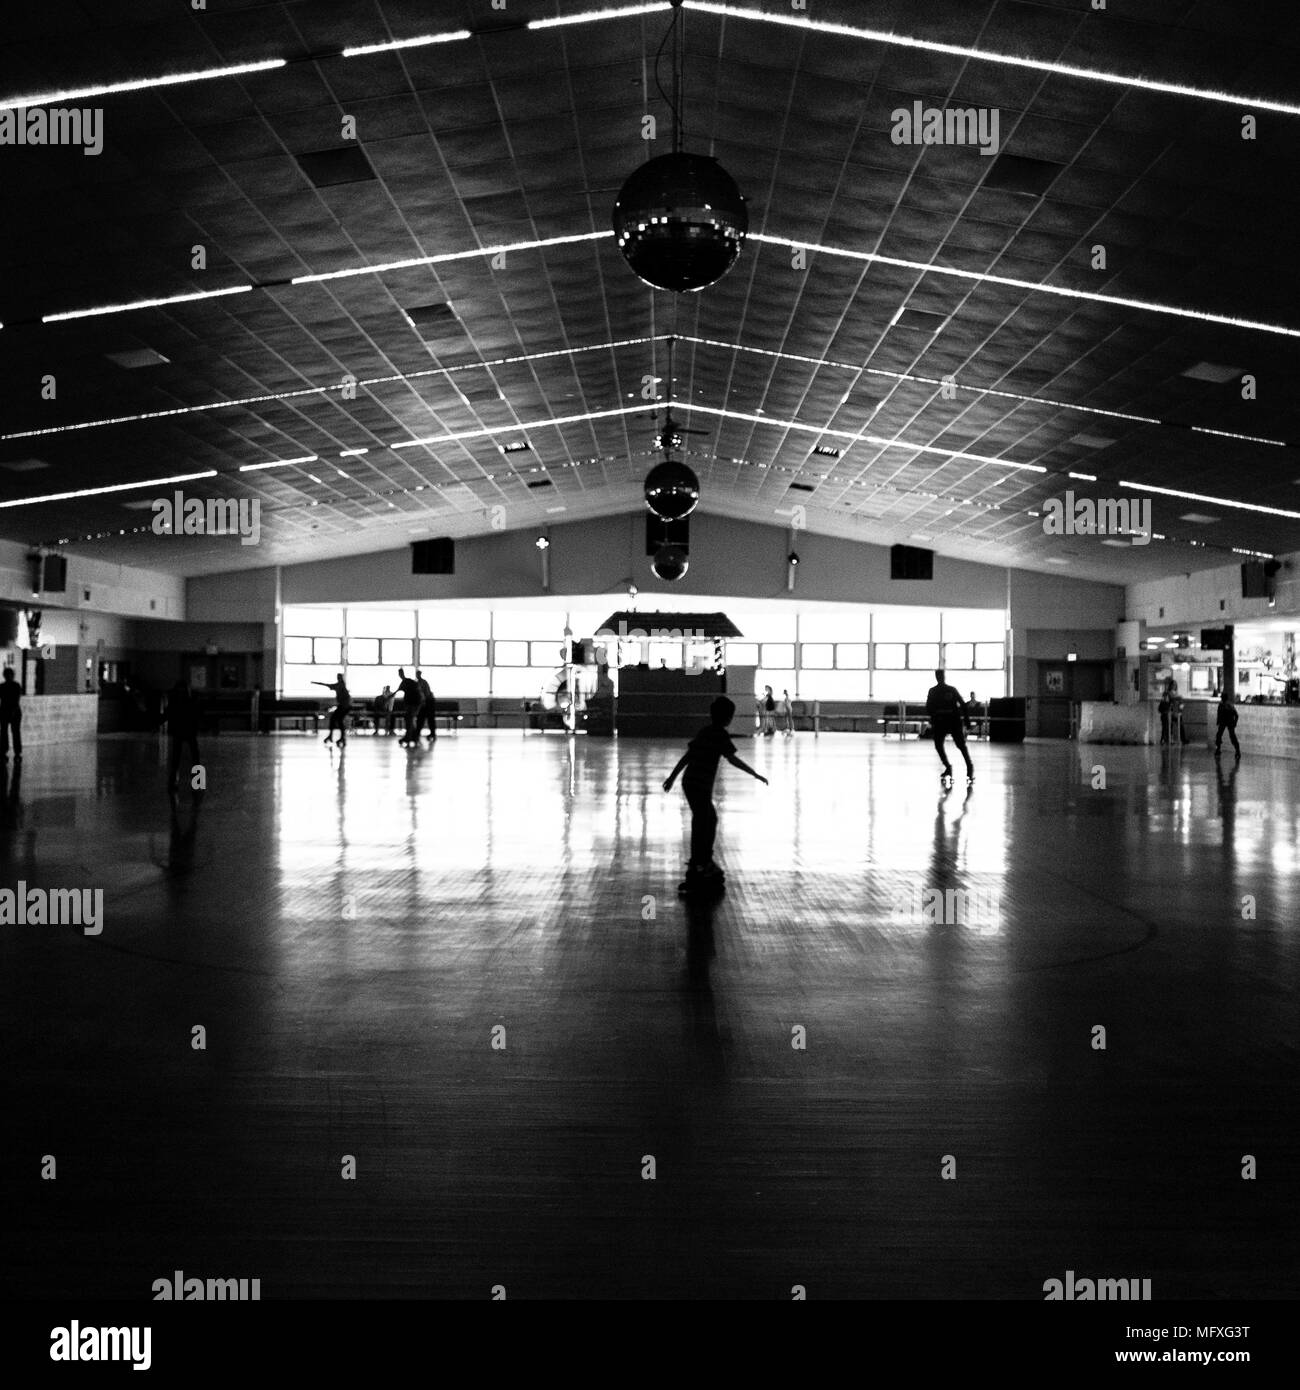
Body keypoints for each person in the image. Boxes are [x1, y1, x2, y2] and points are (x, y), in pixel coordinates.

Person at [663, 695, 767, 888]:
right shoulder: (719, 735)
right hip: (699, 784)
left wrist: (672, 777)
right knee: (708, 819)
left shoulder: (705, 731)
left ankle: (698, 862)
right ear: (727, 717)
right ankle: (702, 862)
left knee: (703, 819)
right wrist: (754, 774)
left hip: (690, 781)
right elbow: (732, 759)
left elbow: (688, 756)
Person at [925, 668, 974, 784]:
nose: (940, 678)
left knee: (959, 745)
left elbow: (929, 708)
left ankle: (966, 767)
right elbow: (963, 705)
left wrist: (967, 721)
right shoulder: (943, 690)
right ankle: (953, 767)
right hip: (947, 720)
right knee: (942, 745)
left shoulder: (942, 690)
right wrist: (966, 721)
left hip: (949, 721)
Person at [162, 678, 201, 793]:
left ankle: (172, 782)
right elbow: (196, 713)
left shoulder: (174, 700)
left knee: (176, 758)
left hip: (178, 730)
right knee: (195, 757)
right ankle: (198, 783)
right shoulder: (192, 699)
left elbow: (168, 713)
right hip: (189, 730)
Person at [312, 672, 351, 745]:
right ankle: (338, 737)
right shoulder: (341, 685)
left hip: (344, 706)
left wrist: (317, 683)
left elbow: (328, 685)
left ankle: (335, 737)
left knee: (336, 720)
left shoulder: (340, 685)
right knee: (337, 720)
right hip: (344, 706)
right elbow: (328, 685)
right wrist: (317, 683)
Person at [1, 667, 22, 761]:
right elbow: (16, 700)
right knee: (14, 733)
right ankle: (16, 753)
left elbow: (15, 700)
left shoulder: (3, 686)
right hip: (12, 712)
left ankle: (5, 752)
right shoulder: (16, 685)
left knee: (6, 733)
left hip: (7, 711)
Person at [395, 668, 420, 745]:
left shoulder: (407, 682)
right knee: (410, 720)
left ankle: (409, 737)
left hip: (412, 704)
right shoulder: (407, 682)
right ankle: (413, 737)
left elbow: (397, 691)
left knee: (409, 720)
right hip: (412, 704)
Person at [1215, 691, 1241, 758]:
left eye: (1222, 697)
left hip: (1229, 722)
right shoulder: (1221, 705)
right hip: (1224, 722)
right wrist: (1218, 721)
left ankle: (1237, 751)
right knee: (1219, 735)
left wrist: (1235, 723)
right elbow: (1219, 713)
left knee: (1232, 737)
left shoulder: (1229, 705)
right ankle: (1218, 748)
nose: (1222, 699)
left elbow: (1236, 715)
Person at [415, 669, 436, 741]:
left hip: (427, 702)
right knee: (422, 719)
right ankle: (418, 733)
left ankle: (432, 734)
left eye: (418, 674)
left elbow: (425, 693)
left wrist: (423, 702)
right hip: (425, 702)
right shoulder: (419, 683)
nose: (417, 676)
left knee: (426, 719)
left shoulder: (423, 682)